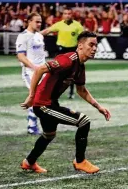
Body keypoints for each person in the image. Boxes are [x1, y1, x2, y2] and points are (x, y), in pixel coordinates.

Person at [20, 31, 110, 174]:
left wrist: (98, 107)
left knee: (49, 135)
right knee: (84, 121)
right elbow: (40, 69)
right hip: (43, 105)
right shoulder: (68, 60)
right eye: (91, 45)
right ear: (80, 46)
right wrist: (31, 96)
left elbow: (81, 90)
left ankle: (29, 162)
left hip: (50, 104)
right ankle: (80, 161)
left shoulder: (80, 66)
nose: (94, 49)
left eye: (96, 45)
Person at [41, 8, 84, 99]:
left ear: (72, 15)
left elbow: (83, 37)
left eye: (69, 13)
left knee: (72, 72)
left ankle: (71, 92)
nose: (67, 15)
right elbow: (47, 31)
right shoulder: (59, 24)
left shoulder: (77, 25)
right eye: (65, 13)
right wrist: (33, 36)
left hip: (72, 50)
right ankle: (53, 92)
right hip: (61, 50)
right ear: (63, 15)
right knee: (57, 71)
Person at [16, 12, 46, 135]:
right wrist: (34, 67)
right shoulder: (23, 36)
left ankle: (33, 121)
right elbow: (21, 56)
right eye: (37, 21)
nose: (39, 24)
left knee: (43, 98)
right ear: (29, 21)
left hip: (42, 72)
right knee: (36, 96)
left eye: (40, 22)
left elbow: (41, 56)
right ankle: (31, 126)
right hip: (30, 72)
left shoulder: (40, 36)